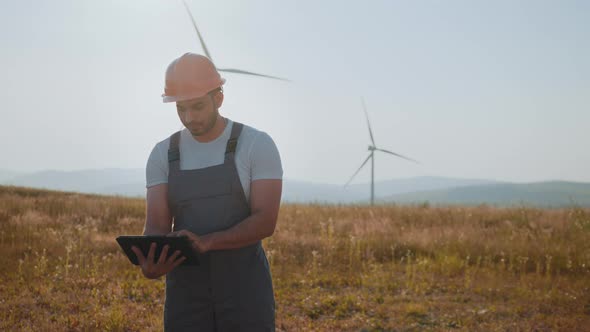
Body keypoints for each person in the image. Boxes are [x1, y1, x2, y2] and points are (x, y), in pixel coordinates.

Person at [131, 52, 283, 331]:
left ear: (219, 98)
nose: (189, 117)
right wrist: (150, 260)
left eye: (197, 106)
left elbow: (265, 221)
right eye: (181, 108)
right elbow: (157, 224)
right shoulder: (162, 153)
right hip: (185, 296)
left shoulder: (256, 145)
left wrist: (208, 241)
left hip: (245, 293)